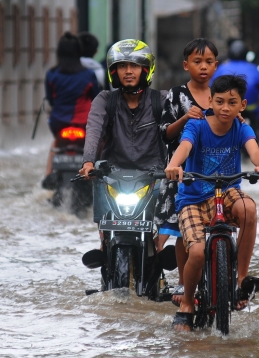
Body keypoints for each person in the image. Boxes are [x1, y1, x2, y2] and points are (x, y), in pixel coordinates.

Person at [165, 75, 259, 331]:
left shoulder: (242, 128)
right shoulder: (197, 125)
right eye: (219, 102)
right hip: (192, 198)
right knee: (196, 251)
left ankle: (239, 282)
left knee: (248, 208)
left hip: (227, 192)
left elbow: (254, 150)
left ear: (242, 104)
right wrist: (174, 165)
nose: (225, 108)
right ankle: (186, 306)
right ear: (211, 102)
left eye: (232, 102)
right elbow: (184, 147)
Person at [78, 40, 168, 280]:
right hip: (114, 175)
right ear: (113, 71)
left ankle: (158, 248)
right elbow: (94, 129)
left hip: (154, 175)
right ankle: (104, 242)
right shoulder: (104, 99)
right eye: (122, 66)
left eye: (135, 65)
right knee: (98, 172)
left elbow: (188, 125)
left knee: (167, 212)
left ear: (146, 69)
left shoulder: (162, 100)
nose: (128, 71)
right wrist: (88, 162)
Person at [153, 38, 219, 306]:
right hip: (180, 174)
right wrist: (185, 118)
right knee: (182, 232)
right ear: (186, 65)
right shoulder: (176, 94)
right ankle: (183, 280)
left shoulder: (220, 95)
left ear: (216, 66)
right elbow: (165, 134)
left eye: (208, 62)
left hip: (213, 173)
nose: (203, 67)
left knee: (215, 228)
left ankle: (220, 278)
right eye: (197, 61)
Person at [42, 32, 100, 189]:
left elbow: (51, 99)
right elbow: (96, 99)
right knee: (99, 143)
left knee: (56, 144)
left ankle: (48, 174)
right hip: (84, 123)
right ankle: (97, 174)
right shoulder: (88, 75)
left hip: (58, 123)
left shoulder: (52, 74)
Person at [211, 40, 259, 141]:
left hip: (227, 110)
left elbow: (211, 88)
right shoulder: (254, 68)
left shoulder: (222, 68)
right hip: (251, 108)